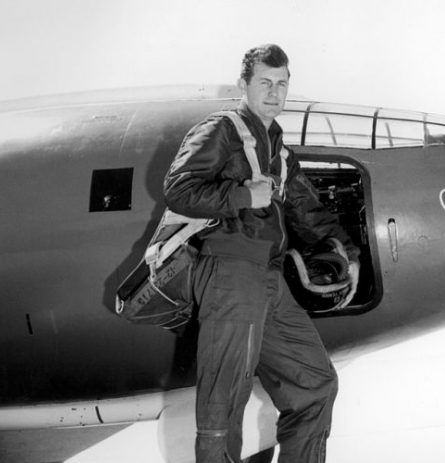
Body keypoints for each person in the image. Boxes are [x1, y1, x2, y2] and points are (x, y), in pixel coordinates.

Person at [163, 43, 360, 463]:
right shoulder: (222, 129)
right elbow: (178, 189)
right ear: (244, 85)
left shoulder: (277, 148)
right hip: (229, 271)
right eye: (265, 83)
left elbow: (307, 210)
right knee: (224, 401)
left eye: (282, 84)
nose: (274, 92)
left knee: (315, 384)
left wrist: (348, 251)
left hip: (268, 279)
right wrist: (241, 196)